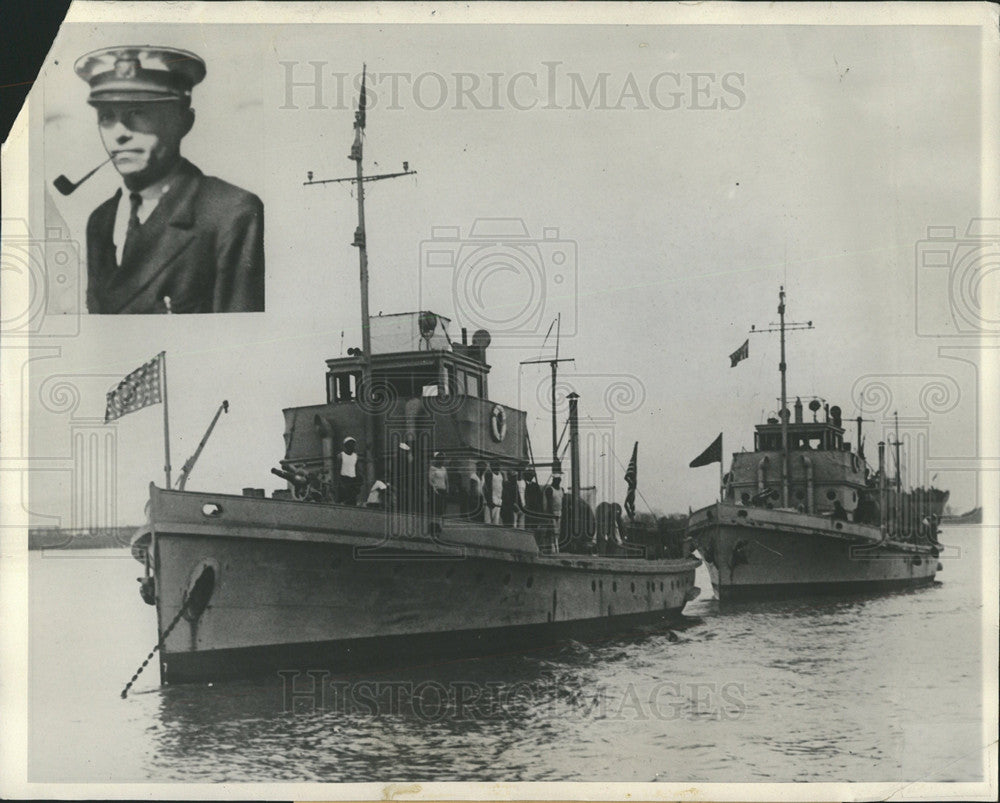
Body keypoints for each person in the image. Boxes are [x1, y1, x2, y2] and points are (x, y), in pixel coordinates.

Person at [75, 47, 264, 313]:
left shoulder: (230, 212)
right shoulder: (101, 220)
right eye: (106, 117)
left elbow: (238, 332)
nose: (119, 134)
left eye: (137, 113)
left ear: (184, 121)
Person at [543, 475, 565, 554]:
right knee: (552, 531)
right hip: (552, 513)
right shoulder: (550, 489)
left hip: (559, 512)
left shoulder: (561, 490)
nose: (558, 481)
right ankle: (551, 547)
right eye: (556, 480)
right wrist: (552, 514)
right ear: (554, 480)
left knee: (557, 531)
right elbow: (549, 503)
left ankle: (556, 547)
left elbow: (562, 501)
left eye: (559, 480)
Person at [337, 437, 361, 505]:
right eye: (350, 445)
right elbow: (338, 469)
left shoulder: (356, 456)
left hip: (353, 479)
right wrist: (339, 482)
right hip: (344, 479)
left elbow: (357, 469)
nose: (352, 447)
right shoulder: (341, 455)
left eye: (353, 445)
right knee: (345, 498)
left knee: (353, 498)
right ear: (346, 446)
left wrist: (358, 482)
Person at [428, 452, 449, 521]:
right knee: (436, 508)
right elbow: (430, 480)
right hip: (436, 491)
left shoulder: (444, 469)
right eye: (440, 459)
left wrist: (447, 490)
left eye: (443, 459)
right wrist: (434, 489)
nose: (441, 460)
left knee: (443, 508)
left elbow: (446, 480)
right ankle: (434, 522)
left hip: (443, 490)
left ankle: (440, 522)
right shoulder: (432, 468)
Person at [523, 469, 544, 534]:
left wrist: (540, 510)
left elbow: (540, 498)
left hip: (534, 509)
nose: (531, 477)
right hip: (526, 508)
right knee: (526, 526)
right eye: (530, 475)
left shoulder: (535, 485)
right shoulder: (523, 484)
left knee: (534, 527)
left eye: (532, 475)